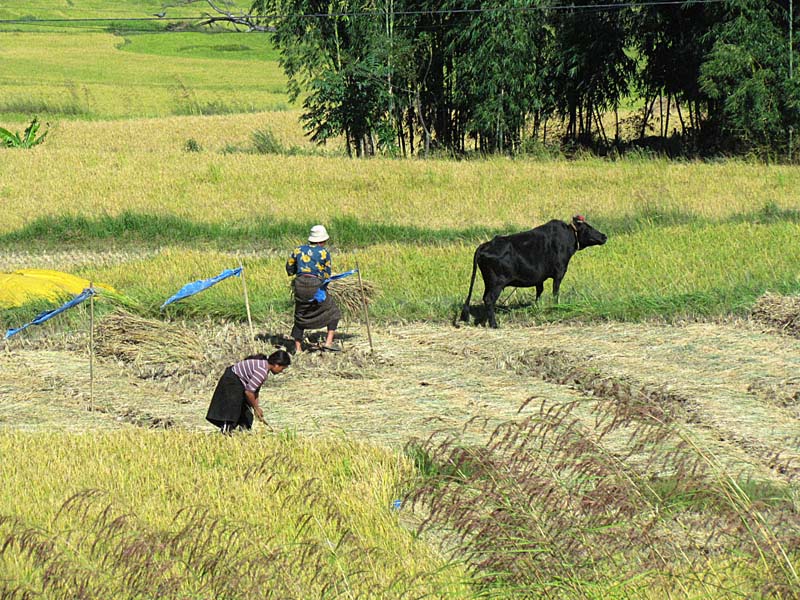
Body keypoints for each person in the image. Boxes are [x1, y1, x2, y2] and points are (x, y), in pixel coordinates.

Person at [286, 224, 342, 353]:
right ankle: (328, 342)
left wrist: (297, 273)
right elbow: (327, 274)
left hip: (299, 284)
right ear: (322, 241)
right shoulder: (323, 252)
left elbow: (289, 268)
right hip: (315, 284)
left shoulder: (298, 250)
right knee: (333, 311)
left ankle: (298, 348)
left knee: (301, 312)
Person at [206, 350, 291, 433]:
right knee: (233, 409)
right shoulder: (261, 371)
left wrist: (256, 407)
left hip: (240, 382)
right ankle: (226, 431)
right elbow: (249, 392)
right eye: (282, 368)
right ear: (276, 365)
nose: (281, 371)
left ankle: (244, 432)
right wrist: (256, 408)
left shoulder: (264, 367)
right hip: (232, 380)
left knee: (247, 412)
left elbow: (255, 391)